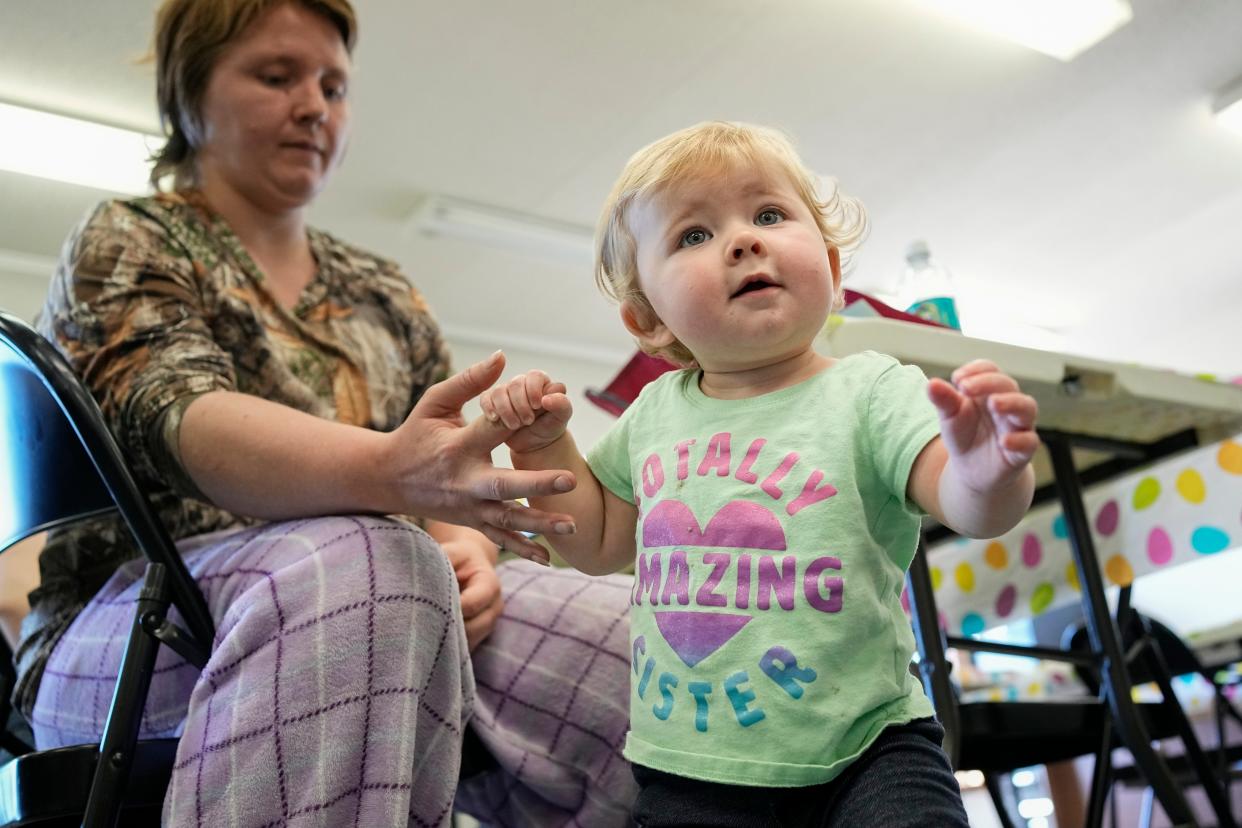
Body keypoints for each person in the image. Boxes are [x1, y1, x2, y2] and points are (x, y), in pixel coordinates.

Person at [16, 0, 636, 824]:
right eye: (276, 77)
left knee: (652, 642)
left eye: (334, 87)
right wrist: (395, 480)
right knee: (369, 566)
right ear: (189, 95)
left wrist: (466, 549)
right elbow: (179, 418)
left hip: (390, 597)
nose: (315, 106)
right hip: (131, 624)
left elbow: (442, 471)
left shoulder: (383, 293)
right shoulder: (130, 239)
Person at [480, 121, 1040, 826]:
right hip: (690, 770)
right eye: (693, 235)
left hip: (867, 748)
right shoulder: (655, 412)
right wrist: (543, 442)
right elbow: (595, 544)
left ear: (833, 270)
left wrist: (985, 472)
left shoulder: (871, 391)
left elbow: (971, 508)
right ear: (649, 320)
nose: (744, 240)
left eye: (769, 214)